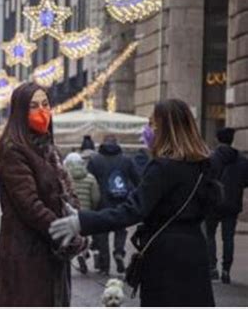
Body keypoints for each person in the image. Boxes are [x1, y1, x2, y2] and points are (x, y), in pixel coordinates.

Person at [50, 99, 217, 306]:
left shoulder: (162, 167)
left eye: (152, 124)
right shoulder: (204, 166)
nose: (148, 130)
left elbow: (132, 210)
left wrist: (82, 222)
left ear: (166, 128)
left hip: (165, 256)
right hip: (195, 251)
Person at [0, 82, 87, 307]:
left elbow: (65, 194)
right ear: (20, 112)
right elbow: (30, 206)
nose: (42, 111)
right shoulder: (13, 149)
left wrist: (75, 219)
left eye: (45, 104)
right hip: (26, 254)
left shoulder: (48, 148)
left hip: (51, 255)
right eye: (34, 106)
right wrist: (64, 233)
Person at [87, 134, 140, 275]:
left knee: (102, 234)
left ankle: (105, 266)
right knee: (120, 230)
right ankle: (119, 252)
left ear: (103, 144)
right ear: (117, 143)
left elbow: (89, 182)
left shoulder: (95, 160)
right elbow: (139, 182)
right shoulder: (126, 160)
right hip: (121, 202)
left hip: (102, 203)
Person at [206, 127, 248, 284]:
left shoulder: (210, 158)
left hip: (213, 203)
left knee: (209, 235)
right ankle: (226, 270)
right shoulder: (242, 160)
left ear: (217, 139)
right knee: (228, 238)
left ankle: (212, 268)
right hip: (232, 203)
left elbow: (205, 180)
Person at [64, 152, 100, 274]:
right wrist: (93, 209)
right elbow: (95, 197)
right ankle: (84, 254)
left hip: (71, 212)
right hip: (87, 212)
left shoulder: (66, 178)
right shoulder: (90, 178)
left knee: (74, 235)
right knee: (87, 236)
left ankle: (76, 254)